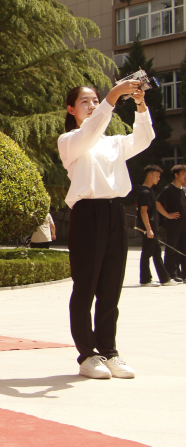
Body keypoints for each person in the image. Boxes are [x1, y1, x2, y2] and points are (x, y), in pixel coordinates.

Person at [58, 81, 152, 380]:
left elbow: (144, 138)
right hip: (87, 213)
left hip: (114, 212)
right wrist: (113, 96)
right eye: (85, 101)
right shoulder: (70, 140)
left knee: (111, 286)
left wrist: (140, 105)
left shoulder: (113, 143)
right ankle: (88, 354)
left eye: (95, 100)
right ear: (71, 109)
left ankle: (109, 351)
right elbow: (91, 130)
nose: (92, 105)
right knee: (85, 287)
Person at [135, 164, 174, 287]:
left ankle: (165, 279)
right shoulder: (145, 192)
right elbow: (143, 211)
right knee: (147, 253)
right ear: (149, 175)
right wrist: (148, 229)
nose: (159, 178)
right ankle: (145, 280)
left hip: (153, 227)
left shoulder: (150, 190)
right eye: (157, 176)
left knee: (157, 253)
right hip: (149, 228)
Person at [156, 164, 186, 283]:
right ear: (176, 175)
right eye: (183, 174)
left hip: (184, 226)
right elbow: (158, 203)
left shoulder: (182, 190)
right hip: (173, 226)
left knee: (183, 251)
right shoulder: (168, 189)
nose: (185, 176)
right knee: (171, 251)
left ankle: (183, 275)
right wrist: (168, 215)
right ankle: (170, 275)